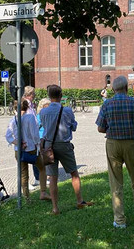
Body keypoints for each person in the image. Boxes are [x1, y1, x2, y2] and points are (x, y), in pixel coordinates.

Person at [96, 76, 134, 229]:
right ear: (127, 88)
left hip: (113, 144)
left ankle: (120, 220)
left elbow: (100, 128)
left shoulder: (107, 104)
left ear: (113, 89)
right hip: (131, 144)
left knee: (116, 182)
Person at [40, 84, 93, 215]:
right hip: (64, 144)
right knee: (74, 173)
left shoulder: (43, 112)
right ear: (61, 95)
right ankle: (80, 201)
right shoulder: (67, 110)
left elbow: (43, 127)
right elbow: (73, 127)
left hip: (48, 146)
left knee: (52, 177)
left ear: (49, 96)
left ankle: (55, 208)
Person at [5, 98, 50, 201]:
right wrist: (38, 144)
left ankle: (26, 198)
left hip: (19, 150)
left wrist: (18, 143)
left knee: (24, 174)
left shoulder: (13, 120)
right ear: (27, 107)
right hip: (31, 149)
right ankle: (43, 191)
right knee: (42, 168)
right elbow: (34, 135)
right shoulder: (30, 118)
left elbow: (8, 136)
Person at [23, 86, 40, 188]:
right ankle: (26, 183)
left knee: (35, 157)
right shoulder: (25, 104)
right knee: (25, 160)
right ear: (29, 94)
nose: (34, 95)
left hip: (31, 135)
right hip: (27, 136)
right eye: (33, 94)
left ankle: (38, 178)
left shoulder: (30, 104)